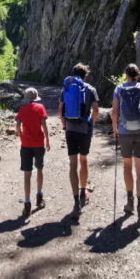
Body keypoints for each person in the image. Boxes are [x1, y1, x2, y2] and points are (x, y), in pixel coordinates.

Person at [111, 64, 140, 223]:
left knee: (126, 167)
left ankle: (130, 201)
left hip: (124, 133)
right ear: (138, 74)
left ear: (126, 75)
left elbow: (114, 111)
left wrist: (115, 129)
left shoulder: (119, 89)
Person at [58, 63, 100, 218]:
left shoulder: (67, 88)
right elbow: (96, 110)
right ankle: (83, 191)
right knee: (84, 160)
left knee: (72, 163)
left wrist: (64, 126)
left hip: (70, 129)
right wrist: (92, 124)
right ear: (85, 75)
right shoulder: (90, 89)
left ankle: (76, 201)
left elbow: (60, 110)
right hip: (84, 130)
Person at [15, 87, 50, 219]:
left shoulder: (22, 110)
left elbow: (18, 127)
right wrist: (48, 141)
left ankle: (27, 203)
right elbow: (44, 126)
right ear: (36, 98)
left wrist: (21, 136)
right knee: (40, 169)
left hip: (26, 145)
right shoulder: (40, 108)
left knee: (27, 174)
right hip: (39, 143)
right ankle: (39, 197)